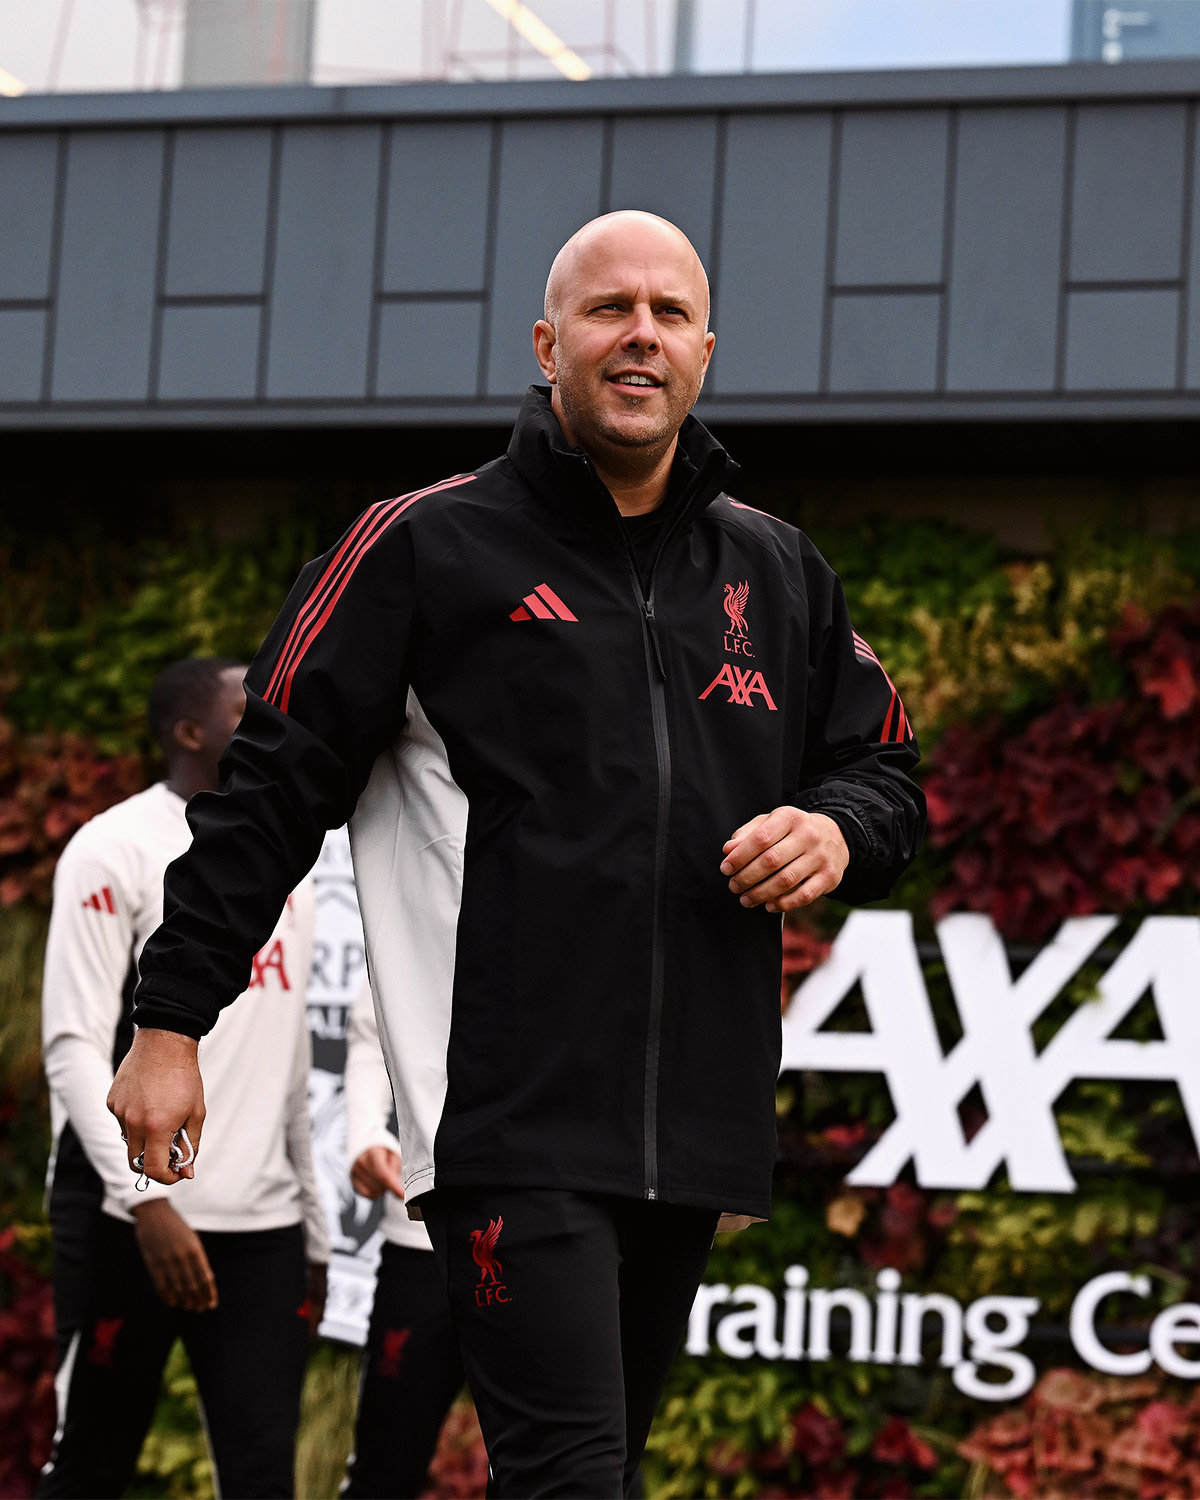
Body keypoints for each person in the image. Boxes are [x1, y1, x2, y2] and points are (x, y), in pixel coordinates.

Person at [109, 212, 925, 1497]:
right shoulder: (420, 546)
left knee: (585, 1469)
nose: (641, 335)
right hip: (503, 1113)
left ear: (706, 352)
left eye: (670, 313)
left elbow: (884, 769)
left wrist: (834, 829)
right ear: (549, 347)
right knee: (570, 1477)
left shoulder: (775, 570)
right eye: (609, 310)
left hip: (692, 1124)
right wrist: (170, 1022)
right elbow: (265, 795)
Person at [40, 657, 329, 1499]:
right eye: (246, 709)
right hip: (128, 1220)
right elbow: (72, 1046)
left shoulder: (284, 864)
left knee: (262, 1477)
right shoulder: (113, 848)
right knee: (90, 1467)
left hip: (263, 1229)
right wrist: (147, 1204)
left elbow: (288, 1064)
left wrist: (313, 1232)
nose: (270, 718)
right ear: (189, 732)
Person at [342, 980, 463, 1498]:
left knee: (577, 1468)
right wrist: (367, 1132)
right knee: (385, 1470)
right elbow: (375, 1025)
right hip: (422, 1233)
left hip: (556, 1234)